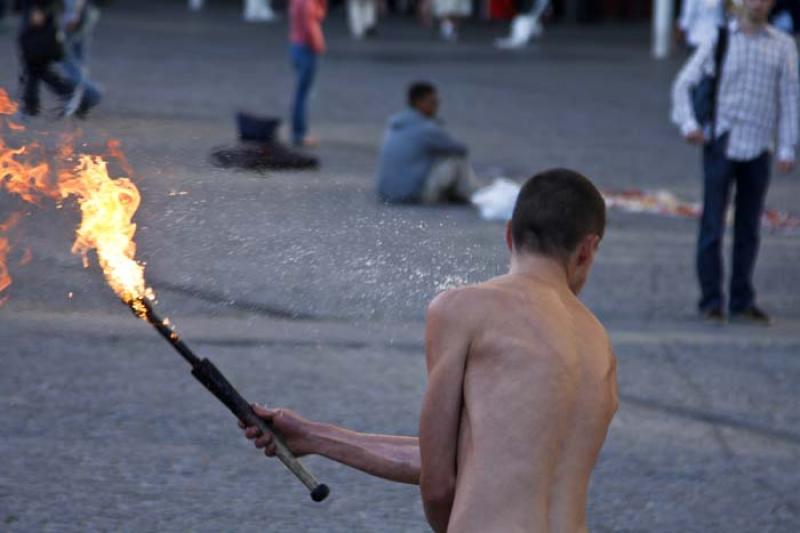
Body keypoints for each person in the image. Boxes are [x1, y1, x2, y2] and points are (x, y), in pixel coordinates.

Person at [242, 168, 619, 533]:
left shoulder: (464, 309)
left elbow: (439, 480)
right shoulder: (599, 345)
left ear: (508, 235)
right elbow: (479, 461)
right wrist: (311, 436)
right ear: (588, 249)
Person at [671, 0, 799, 324]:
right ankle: (711, 300)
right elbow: (683, 82)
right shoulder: (720, 39)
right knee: (712, 223)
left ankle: (742, 298)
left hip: (759, 147)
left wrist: (786, 147)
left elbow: (789, 97)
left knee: (748, 227)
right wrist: (689, 124)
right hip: (721, 141)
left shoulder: (783, 46)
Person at [376, 82, 479, 204]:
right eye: (433, 103)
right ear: (419, 102)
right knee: (455, 160)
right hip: (411, 196)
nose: (436, 107)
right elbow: (460, 149)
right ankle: (470, 196)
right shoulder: (426, 128)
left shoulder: (395, 124)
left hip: (386, 194)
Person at [18, 0, 75, 117]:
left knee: (35, 62)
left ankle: (66, 91)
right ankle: (31, 105)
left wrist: (41, 8)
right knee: (33, 62)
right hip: (37, 10)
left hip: (40, 11)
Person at [288, 0, 326, 147]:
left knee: (301, 93)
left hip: (296, 45)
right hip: (306, 48)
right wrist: (319, 45)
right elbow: (311, 23)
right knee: (302, 93)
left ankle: (299, 132)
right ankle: (299, 133)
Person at [61, 0, 102, 118]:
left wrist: (73, 14)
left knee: (64, 57)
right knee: (79, 59)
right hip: (89, 9)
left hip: (77, 11)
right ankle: (79, 101)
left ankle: (92, 93)